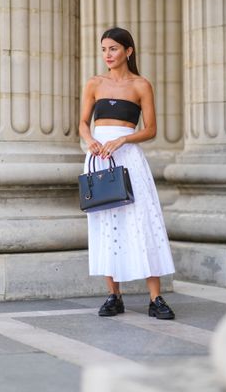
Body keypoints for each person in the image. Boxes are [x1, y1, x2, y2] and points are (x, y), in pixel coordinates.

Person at [79, 27, 175, 320]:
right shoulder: (94, 84)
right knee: (106, 221)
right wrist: (91, 140)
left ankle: (155, 298)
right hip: (99, 158)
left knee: (143, 220)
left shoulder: (141, 85)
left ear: (128, 51)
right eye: (104, 49)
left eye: (113, 49)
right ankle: (113, 295)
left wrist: (123, 139)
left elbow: (151, 129)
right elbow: (83, 122)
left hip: (129, 158)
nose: (108, 55)